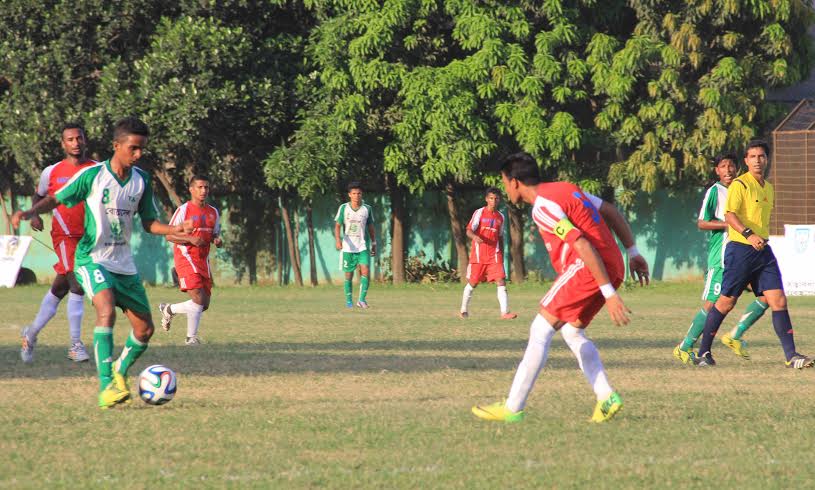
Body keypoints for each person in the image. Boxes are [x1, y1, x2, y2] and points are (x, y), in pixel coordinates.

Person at [13, 117, 193, 409]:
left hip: (124, 265)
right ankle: (105, 386)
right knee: (105, 308)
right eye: (133, 148)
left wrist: (175, 230)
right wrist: (30, 211)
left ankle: (120, 373)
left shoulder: (141, 180)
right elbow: (56, 199)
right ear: (116, 145)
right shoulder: (93, 175)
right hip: (91, 258)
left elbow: (149, 222)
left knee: (145, 330)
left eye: (141, 149)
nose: (138, 155)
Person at [472, 152, 650, 424]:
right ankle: (606, 397)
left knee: (539, 329)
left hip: (587, 268)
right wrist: (633, 251)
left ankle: (513, 407)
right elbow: (611, 212)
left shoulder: (542, 207)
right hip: (612, 264)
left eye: (505, 182)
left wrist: (609, 295)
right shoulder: (567, 188)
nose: (505, 188)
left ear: (515, 182)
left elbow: (581, 244)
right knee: (572, 331)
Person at [695, 141, 814, 368]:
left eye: (761, 156)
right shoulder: (740, 184)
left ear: (767, 160)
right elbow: (730, 215)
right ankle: (703, 353)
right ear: (746, 161)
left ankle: (791, 356)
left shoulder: (768, 188)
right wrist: (749, 234)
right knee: (726, 302)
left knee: (778, 299)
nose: (757, 160)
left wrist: (758, 237)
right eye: (752, 156)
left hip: (762, 251)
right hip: (740, 249)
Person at [673, 154, 768, 364]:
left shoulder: (744, 187)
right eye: (723, 166)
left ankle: (735, 336)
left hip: (746, 255)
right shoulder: (715, 191)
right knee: (713, 304)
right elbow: (701, 223)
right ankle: (685, 346)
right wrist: (729, 223)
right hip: (722, 257)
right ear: (717, 170)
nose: (728, 170)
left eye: (731, 166)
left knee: (768, 296)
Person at [19, 123, 96, 363]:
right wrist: (34, 215)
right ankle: (75, 345)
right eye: (70, 139)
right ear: (63, 144)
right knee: (78, 284)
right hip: (64, 235)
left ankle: (30, 334)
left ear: (85, 141)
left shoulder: (96, 169)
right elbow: (40, 195)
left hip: (90, 238)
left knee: (60, 288)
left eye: (79, 138)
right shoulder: (51, 172)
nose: (75, 143)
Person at [158, 175, 222, 345]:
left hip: (203, 260)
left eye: (206, 187)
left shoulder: (213, 212)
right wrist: (191, 239)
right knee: (198, 300)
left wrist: (217, 239)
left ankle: (169, 309)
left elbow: (215, 233)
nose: (203, 191)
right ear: (191, 190)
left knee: (204, 304)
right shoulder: (184, 210)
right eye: (200, 187)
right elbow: (169, 235)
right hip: (185, 257)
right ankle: (191, 338)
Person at [459, 187, 517, 319]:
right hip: (479, 255)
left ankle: (505, 312)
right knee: (473, 283)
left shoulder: (500, 217)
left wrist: (501, 254)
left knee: (501, 281)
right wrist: (474, 237)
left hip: (494, 255)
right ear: (486, 199)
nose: (494, 201)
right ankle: (463, 309)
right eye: (491, 198)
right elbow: (468, 230)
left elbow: (500, 237)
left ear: (499, 200)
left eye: (496, 199)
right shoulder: (479, 213)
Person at [334, 182, 376, 308]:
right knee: (348, 275)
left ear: (361, 194)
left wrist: (374, 243)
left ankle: (361, 300)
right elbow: (337, 225)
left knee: (365, 271)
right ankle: (348, 301)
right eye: (354, 193)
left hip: (362, 246)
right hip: (347, 247)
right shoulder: (343, 208)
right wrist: (337, 240)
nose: (356, 196)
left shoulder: (367, 209)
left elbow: (371, 227)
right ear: (349, 195)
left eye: (359, 193)